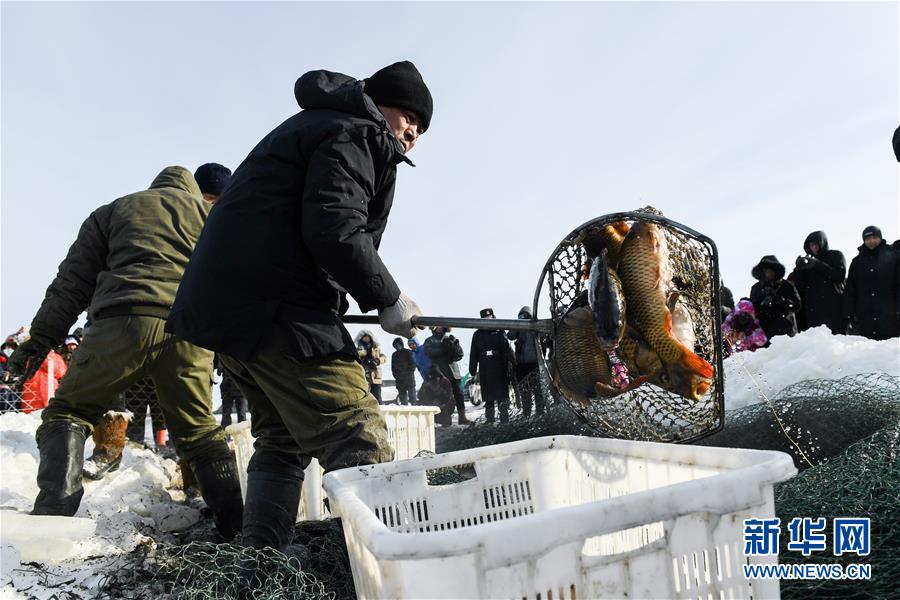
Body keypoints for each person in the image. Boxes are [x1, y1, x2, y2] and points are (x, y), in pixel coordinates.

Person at [166, 61, 432, 553]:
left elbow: (314, 229)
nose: (413, 132)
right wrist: (386, 297)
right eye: (409, 116)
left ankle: (260, 565)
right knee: (356, 432)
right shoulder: (357, 131)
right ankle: (387, 571)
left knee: (283, 440)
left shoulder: (321, 125)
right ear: (380, 105)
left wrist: (350, 296)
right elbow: (334, 227)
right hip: (275, 305)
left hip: (231, 311)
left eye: (422, 128)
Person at [5, 165, 243, 539]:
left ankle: (54, 514)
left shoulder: (113, 211)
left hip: (119, 324)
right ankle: (237, 528)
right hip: (187, 330)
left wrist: (39, 342)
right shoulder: (212, 216)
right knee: (199, 431)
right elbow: (237, 281)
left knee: (69, 412)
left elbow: (69, 287)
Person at [844, 226, 900, 340]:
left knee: (890, 350)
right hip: (865, 320)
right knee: (868, 350)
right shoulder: (857, 262)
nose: (871, 241)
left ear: (880, 238)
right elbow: (850, 290)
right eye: (868, 238)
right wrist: (849, 314)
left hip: (890, 319)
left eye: (875, 237)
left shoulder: (894, 257)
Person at [788, 231, 846, 334]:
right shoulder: (808, 264)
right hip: (814, 313)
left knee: (836, 340)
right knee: (817, 341)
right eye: (811, 245)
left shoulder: (835, 255)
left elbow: (839, 276)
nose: (814, 247)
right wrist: (799, 270)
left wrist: (817, 264)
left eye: (816, 244)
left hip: (834, 310)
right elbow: (801, 287)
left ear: (822, 243)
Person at [469, 308, 514, 424]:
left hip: (498, 366)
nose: (487, 320)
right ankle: (490, 419)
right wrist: (472, 369)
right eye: (484, 319)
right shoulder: (477, 334)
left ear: (493, 317)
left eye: (489, 318)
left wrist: (512, 363)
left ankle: (504, 419)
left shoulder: (499, 331)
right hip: (485, 366)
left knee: (501, 395)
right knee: (488, 396)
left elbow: (506, 349)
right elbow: (474, 352)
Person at [749, 255, 802, 342]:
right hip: (764, 334)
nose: (768, 273)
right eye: (765, 271)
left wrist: (779, 299)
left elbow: (797, 306)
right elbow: (752, 310)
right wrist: (761, 299)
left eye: (770, 270)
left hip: (785, 332)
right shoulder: (756, 288)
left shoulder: (787, 286)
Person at [424, 326, 469, 424]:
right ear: (433, 327)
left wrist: (454, 347)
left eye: (442, 326)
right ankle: (445, 419)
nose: (440, 328)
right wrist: (444, 349)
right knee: (443, 397)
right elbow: (429, 352)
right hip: (440, 373)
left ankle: (462, 417)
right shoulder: (429, 341)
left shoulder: (450, 338)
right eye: (438, 326)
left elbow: (459, 355)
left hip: (453, 372)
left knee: (459, 395)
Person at [507, 306, 545, 416]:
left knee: (537, 390)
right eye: (521, 316)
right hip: (521, 364)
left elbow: (544, 335)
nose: (523, 318)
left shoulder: (536, 325)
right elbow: (510, 336)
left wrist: (534, 325)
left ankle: (540, 412)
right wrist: (517, 324)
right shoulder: (519, 328)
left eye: (525, 316)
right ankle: (526, 412)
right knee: (524, 390)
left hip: (534, 364)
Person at [20, 346, 67, 413]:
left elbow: (61, 372)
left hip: (50, 388)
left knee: (49, 411)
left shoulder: (56, 357)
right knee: (30, 414)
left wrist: (45, 360)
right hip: (31, 390)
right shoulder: (28, 356)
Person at [355, 330, 386, 403]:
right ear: (361, 338)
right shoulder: (358, 349)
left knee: (377, 397)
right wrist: (364, 355)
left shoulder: (376, 348)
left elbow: (384, 357)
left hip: (376, 376)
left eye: (367, 337)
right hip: (364, 376)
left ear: (371, 338)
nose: (366, 339)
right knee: (365, 398)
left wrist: (378, 361)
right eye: (364, 337)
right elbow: (356, 357)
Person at [217, 356, 248, 428]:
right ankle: (226, 432)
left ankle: (227, 432)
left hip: (235, 389)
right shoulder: (223, 359)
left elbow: (218, 372)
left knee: (238, 415)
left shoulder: (222, 359)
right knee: (236, 414)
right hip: (231, 389)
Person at [390, 337, 417, 405]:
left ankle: (415, 409)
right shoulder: (394, 355)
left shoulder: (408, 352)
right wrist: (396, 376)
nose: (397, 346)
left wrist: (408, 374)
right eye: (396, 345)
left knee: (413, 397)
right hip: (399, 380)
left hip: (409, 378)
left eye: (398, 344)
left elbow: (413, 365)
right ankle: (405, 409)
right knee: (403, 399)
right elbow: (393, 368)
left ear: (402, 344)